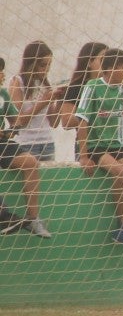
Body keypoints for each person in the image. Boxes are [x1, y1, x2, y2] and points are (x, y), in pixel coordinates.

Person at [73, 48, 123, 249]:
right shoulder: (93, 86)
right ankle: (122, 226)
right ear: (112, 69)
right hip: (95, 145)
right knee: (119, 172)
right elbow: (82, 122)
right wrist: (83, 156)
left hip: (117, 145)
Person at [0, 57, 52, 238]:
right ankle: (3, 215)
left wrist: (11, 129)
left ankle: (33, 219)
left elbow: (17, 120)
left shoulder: (3, 95)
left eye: (2, 71)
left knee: (30, 162)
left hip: (1, 143)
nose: (2, 75)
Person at [10, 41, 59, 162]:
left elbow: (54, 122)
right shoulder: (18, 82)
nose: (46, 69)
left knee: (50, 174)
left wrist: (60, 100)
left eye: (49, 65)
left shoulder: (45, 84)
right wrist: (44, 102)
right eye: (43, 65)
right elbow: (18, 121)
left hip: (47, 143)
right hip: (26, 144)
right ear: (31, 64)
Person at [55, 42, 108, 130]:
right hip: (87, 137)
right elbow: (66, 123)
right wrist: (94, 113)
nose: (107, 64)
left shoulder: (112, 86)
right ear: (89, 62)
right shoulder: (76, 87)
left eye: (109, 60)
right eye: (103, 59)